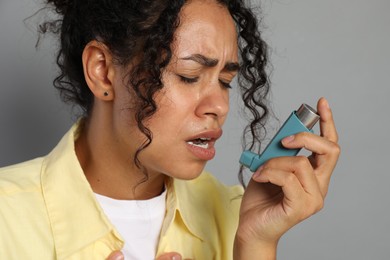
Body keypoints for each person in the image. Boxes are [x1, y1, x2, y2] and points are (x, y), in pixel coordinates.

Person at [0, 0, 340, 259]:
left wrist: (258, 243)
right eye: (189, 76)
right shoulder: (8, 216)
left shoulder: (235, 215)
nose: (219, 107)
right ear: (102, 72)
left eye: (225, 81)